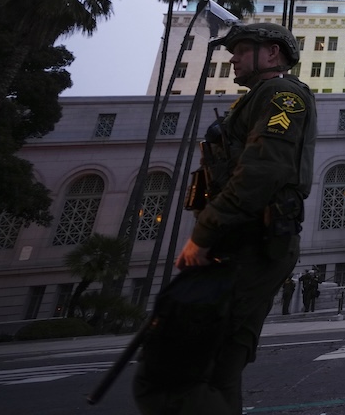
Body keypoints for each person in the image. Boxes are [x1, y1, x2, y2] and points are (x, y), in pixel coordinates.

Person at [134, 22, 316, 414]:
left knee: (194, 361)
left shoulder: (282, 95)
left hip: (253, 241)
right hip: (239, 240)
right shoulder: (254, 100)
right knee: (216, 365)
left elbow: (260, 171)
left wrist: (203, 234)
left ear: (272, 54)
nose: (232, 58)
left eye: (242, 49)